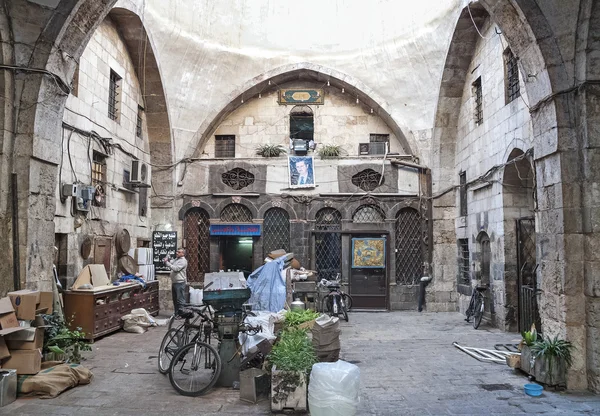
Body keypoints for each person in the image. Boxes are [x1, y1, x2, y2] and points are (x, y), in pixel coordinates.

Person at [164, 248, 188, 316]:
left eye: (179, 252)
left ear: (183, 254)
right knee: (175, 299)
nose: (177, 253)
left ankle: (182, 313)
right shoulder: (177, 259)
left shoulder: (183, 261)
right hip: (175, 282)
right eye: (177, 251)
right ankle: (176, 313)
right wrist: (167, 259)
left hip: (180, 282)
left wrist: (167, 262)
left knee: (180, 299)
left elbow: (176, 268)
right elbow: (171, 262)